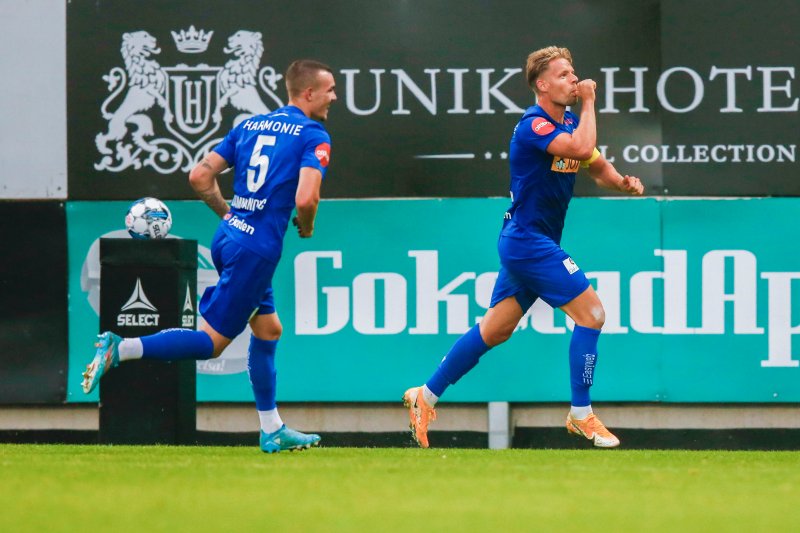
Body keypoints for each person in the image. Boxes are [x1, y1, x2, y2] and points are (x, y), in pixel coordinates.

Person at [82, 59, 337, 454]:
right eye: (330, 90)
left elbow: (200, 176)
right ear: (308, 93)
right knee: (211, 343)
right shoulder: (313, 135)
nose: (334, 97)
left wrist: (230, 215)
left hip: (228, 238)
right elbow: (307, 197)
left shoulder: (250, 125)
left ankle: (272, 428)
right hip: (256, 252)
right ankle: (122, 347)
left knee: (269, 330)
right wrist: (307, 226)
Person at [403, 46, 644, 448]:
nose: (574, 79)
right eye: (565, 74)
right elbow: (583, 149)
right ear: (542, 84)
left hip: (533, 240)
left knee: (495, 330)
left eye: (574, 73)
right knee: (593, 314)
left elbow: (596, 164)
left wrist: (620, 181)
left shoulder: (567, 121)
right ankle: (581, 414)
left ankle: (423, 396)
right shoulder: (534, 126)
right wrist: (590, 101)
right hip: (527, 241)